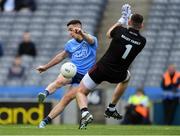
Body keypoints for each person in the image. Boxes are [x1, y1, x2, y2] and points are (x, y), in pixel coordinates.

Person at [75, 4, 147, 129]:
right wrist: (127, 21)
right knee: (127, 78)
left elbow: (109, 34)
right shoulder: (142, 41)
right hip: (118, 74)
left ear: (129, 21)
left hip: (102, 69)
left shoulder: (120, 31)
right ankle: (111, 107)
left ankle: (85, 113)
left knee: (80, 92)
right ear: (141, 26)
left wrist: (121, 20)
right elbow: (129, 37)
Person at [36, 19, 98, 128]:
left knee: (66, 99)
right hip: (73, 70)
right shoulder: (70, 44)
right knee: (60, 80)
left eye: (71, 30)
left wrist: (82, 33)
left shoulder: (91, 39)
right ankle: (45, 93)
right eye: (68, 30)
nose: (69, 32)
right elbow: (61, 56)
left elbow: (90, 40)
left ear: (77, 28)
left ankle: (45, 121)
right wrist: (45, 67)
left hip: (85, 78)